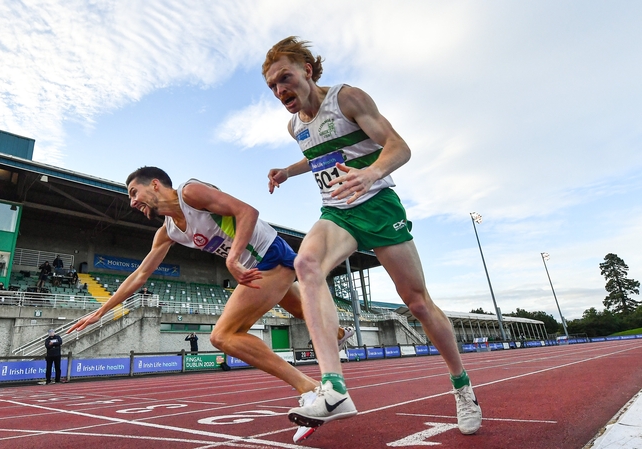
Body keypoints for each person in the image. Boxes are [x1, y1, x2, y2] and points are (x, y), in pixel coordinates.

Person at [262, 36, 482, 434]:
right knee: (306, 263)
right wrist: (286, 172)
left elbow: (399, 146)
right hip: (337, 212)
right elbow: (318, 155)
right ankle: (334, 388)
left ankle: (462, 384)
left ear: (307, 71)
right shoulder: (295, 126)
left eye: (285, 78)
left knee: (417, 303)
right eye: (272, 86)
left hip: (377, 205)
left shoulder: (348, 99)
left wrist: (370, 173)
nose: (280, 91)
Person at [68, 166, 355, 443]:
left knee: (223, 336)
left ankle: (309, 389)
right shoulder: (167, 232)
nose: (132, 202)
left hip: (268, 258)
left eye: (134, 192)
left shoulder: (190, 193)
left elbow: (248, 212)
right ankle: (339, 335)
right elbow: (140, 275)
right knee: (305, 311)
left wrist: (233, 257)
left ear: (155, 183)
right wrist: (102, 310)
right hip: (257, 268)